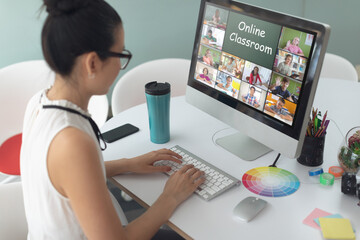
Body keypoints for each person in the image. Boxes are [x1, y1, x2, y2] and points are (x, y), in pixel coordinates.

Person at [20, 1, 205, 239]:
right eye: (120, 55)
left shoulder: (39, 103)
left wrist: (129, 163)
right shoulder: (72, 141)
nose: (120, 65)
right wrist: (170, 197)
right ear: (93, 63)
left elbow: (69, 176)